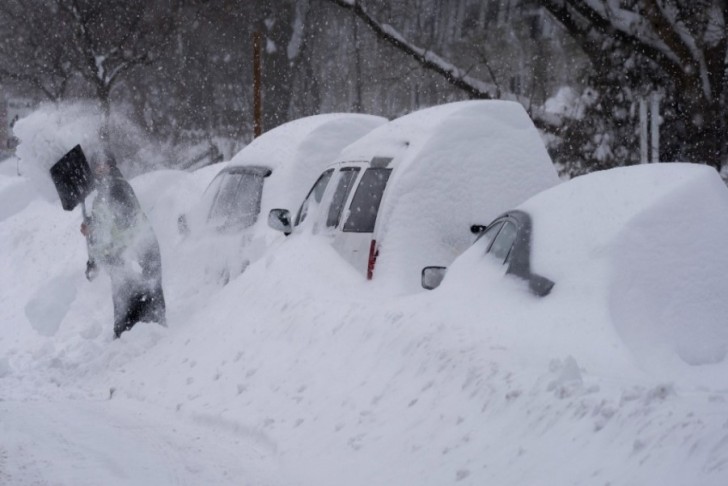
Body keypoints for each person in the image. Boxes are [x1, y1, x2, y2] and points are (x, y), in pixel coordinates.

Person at [80, 150, 166, 338]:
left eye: (104, 164)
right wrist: (94, 261)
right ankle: (132, 343)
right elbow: (102, 233)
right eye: (97, 165)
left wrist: (95, 228)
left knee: (143, 309)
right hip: (124, 259)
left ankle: (154, 345)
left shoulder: (118, 188)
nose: (100, 168)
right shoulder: (101, 194)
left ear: (112, 165)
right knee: (126, 310)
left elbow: (124, 223)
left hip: (140, 254)